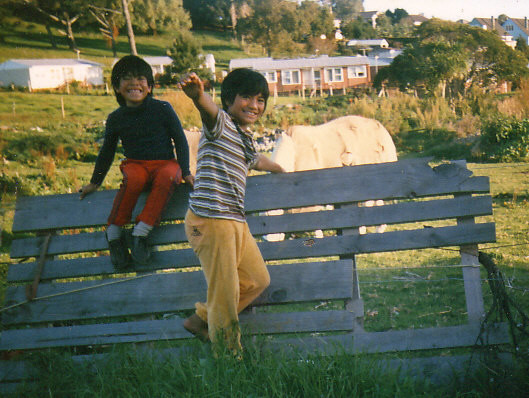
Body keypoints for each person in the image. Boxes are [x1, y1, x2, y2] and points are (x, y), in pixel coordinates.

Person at [179, 69, 285, 355]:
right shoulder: (222, 124)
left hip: (234, 221)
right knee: (224, 295)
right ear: (228, 99)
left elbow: (256, 159)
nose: (254, 105)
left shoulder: (244, 136)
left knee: (257, 279)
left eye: (260, 99)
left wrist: (279, 167)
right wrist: (199, 95)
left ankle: (201, 321)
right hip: (210, 221)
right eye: (246, 97)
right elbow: (209, 111)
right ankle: (229, 360)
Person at [79, 55, 194, 270]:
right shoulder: (116, 118)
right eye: (127, 78)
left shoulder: (163, 109)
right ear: (116, 87)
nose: (134, 83)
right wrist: (95, 182)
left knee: (170, 174)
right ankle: (114, 233)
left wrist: (186, 171)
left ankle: (141, 233)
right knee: (134, 178)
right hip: (136, 164)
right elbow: (107, 151)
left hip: (164, 163)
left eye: (141, 78)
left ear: (150, 86)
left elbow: (180, 140)